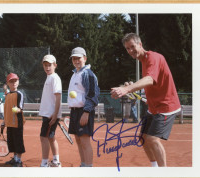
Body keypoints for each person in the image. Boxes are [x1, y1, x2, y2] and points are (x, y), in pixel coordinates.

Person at [111, 33, 181, 167]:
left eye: (132, 46)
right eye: (127, 48)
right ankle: (155, 169)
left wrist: (127, 89)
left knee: (152, 139)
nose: (130, 51)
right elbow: (153, 83)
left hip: (166, 106)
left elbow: (150, 79)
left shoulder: (153, 58)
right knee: (143, 138)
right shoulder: (143, 61)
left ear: (140, 44)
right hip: (153, 107)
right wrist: (135, 89)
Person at [67, 47, 100, 167]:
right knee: (78, 140)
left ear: (85, 58)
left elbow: (92, 94)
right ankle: (83, 165)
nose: (76, 61)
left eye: (78, 58)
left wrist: (86, 112)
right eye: (74, 58)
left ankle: (89, 169)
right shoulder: (75, 73)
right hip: (75, 111)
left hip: (84, 111)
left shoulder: (88, 74)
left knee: (85, 141)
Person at [39, 54, 62, 167]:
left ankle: (44, 163)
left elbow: (58, 97)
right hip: (49, 114)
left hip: (50, 115)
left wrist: (55, 114)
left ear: (55, 65)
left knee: (44, 138)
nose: (47, 67)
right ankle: (56, 161)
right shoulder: (49, 77)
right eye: (45, 65)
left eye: (50, 65)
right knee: (51, 137)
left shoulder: (54, 78)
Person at [1, 73, 26, 167]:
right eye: (11, 81)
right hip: (9, 123)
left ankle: (19, 161)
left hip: (17, 122)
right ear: (8, 83)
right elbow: (6, 110)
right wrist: (4, 122)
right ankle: (15, 159)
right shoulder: (7, 95)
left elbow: (21, 108)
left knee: (18, 141)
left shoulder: (19, 94)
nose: (14, 83)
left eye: (15, 81)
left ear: (18, 82)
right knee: (11, 142)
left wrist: (17, 109)